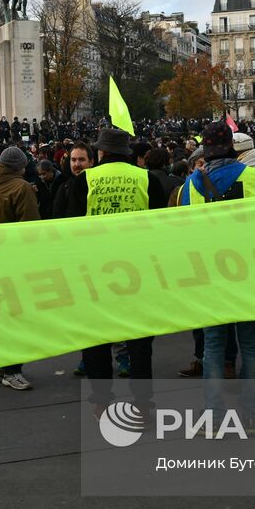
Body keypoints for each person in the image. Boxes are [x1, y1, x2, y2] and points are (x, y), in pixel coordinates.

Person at [65, 129, 167, 416]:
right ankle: (143, 404)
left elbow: (72, 229)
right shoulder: (147, 179)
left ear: (100, 153)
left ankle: (100, 400)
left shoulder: (85, 180)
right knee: (139, 341)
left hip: (95, 271)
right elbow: (162, 228)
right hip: (139, 270)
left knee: (96, 337)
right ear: (128, 153)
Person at [178, 121, 255, 427]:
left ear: (205, 148)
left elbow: (182, 231)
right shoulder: (253, 176)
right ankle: (253, 416)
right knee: (250, 345)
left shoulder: (190, 185)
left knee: (214, 347)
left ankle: (215, 417)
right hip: (249, 271)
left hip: (208, 274)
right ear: (232, 145)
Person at [0, 146, 40, 391]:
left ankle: (2, 365)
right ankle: (12, 371)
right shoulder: (20, 187)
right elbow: (30, 229)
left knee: (3, 316)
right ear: (20, 167)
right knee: (17, 317)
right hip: (16, 260)